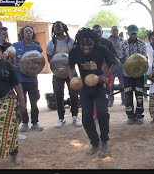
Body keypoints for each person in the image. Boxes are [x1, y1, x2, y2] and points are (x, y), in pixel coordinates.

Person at [68, 27, 119, 156]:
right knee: (86, 118)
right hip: (85, 88)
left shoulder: (102, 50)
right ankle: (94, 143)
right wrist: (73, 79)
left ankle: (104, 142)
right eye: (82, 44)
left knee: (102, 113)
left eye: (89, 44)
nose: (86, 47)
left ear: (94, 41)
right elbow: (70, 66)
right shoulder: (74, 52)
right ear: (78, 43)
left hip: (101, 86)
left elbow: (116, 63)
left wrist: (105, 75)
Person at [0, 33, 26, 167]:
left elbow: (16, 84)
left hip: (7, 102)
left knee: (10, 130)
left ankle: (15, 153)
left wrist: (22, 102)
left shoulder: (6, 65)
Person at [46, 21, 82, 128]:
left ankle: (75, 116)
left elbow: (76, 55)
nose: (57, 29)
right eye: (55, 27)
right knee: (58, 95)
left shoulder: (70, 41)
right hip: (58, 74)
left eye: (59, 27)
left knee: (74, 94)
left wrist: (69, 68)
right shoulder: (51, 43)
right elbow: (50, 60)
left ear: (64, 28)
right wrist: (59, 69)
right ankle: (61, 118)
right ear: (53, 30)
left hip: (71, 71)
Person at [12, 26, 44, 132]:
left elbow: (40, 62)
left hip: (32, 80)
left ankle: (35, 123)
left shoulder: (36, 47)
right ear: (22, 33)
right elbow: (10, 60)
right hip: (20, 80)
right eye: (27, 31)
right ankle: (25, 123)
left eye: (31, 31)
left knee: (34, 102)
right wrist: (15, 65)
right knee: (23, 102)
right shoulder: (15, 46)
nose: (29, 33)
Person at [121, 24, 147, 124]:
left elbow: (144, 57)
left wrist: (137, 65)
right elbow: (121, 57)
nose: (133, 36)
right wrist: (128, 64)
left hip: (139, 73)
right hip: (127, 73)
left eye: (135, 34)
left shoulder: (141, 43)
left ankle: (139, 114)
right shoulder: (123, 44)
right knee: (128, 94)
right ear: (128, 34)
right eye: (131, 34)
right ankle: (130, 115)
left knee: (139, 94)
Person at [92, 25, 118, 107]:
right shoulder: (89, 44)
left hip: (107, 71)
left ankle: (107, 103)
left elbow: (115, 58)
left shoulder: (108, 43)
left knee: (106, 90)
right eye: (95, 32)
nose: (97, 34)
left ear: (102, 33)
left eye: (99, 31)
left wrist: (107, 68)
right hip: (93, 72)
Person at [108, 26, 125, 105]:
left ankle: (124, 99)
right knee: (110, 81)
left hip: (120, 62)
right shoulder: (108, 41)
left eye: (117, 30)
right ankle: (110, 100)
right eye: (114, 30)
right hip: (111, 63)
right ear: (111, 31)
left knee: (122, 81)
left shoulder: (122, 40)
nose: (115, 32)